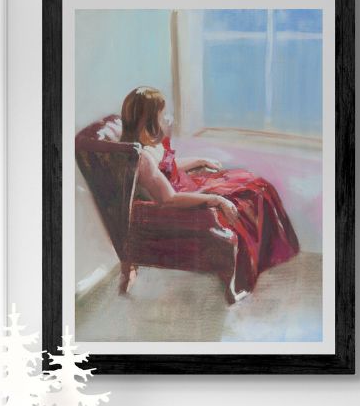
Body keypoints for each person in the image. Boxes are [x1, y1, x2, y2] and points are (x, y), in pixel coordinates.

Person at [119, 86, 300, 298]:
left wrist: (199, 160)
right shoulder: (141, 158)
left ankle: (269, 251)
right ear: (148, 120)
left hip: (187, 184)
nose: (167, 118)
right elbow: (169, 198)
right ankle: (252, 265)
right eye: (162, 114)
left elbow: (169, 166)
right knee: (244, 197)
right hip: (181, 198)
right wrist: (216, 200)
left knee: (256, 185)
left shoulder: (153, 145)